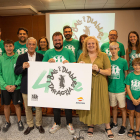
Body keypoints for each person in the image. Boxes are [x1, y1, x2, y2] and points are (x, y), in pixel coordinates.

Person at [76, 36, 114, 139]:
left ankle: (107, 127)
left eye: (93, 43)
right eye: (89, 44)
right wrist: (79, 66)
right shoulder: (82, 56)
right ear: (86, 45)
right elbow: (76, 71)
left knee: (103, 104)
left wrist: (98, 70)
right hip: (86, 83)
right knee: (90, 103)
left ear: (97, 45)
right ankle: (91, 125)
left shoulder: (103, 55)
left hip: (100, 82)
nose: (91, 45)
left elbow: (109, 72)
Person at [43, 32, 76, 135]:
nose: (57, 42)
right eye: (55, 40)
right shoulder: (48, 52)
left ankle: (69, 123)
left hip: (67, 82)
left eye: (59, 40)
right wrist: (48, 63)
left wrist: (69, 64)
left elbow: (75, 65)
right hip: (54, 82)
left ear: (62, 40)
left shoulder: (69, 52)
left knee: (67, 103)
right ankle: (57, 123)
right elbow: (42, 67)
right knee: (55, 102)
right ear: (53, 41)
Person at [14, 37, 44, 135]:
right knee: (27, 107)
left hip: (38, 86)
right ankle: (30, 125)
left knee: (39, 107)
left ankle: (39, 124)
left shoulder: (41, 56)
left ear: (36, 46)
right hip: (26, 86)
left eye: (33, 44)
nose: (31, 46)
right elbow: (16, 71)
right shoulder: (21, 57)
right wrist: (22, 67)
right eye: (29, 44)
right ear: (27, 45)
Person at [0, 39, 24, 132]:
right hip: (4, 87)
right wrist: (5, 85)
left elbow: (21, 73)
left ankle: (19, 121)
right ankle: (7, 122)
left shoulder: (18, 58)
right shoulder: (1, 58)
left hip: (16, 87)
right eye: (7, 46)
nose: (9, 48)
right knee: (6, 105)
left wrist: (15, 85)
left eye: (10, 46)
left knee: (17, 105)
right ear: (4, 47)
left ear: (13, 47)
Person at [108, 42, 128, 135]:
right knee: (113, 107)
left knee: (123, 108)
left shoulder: (123, 61)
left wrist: (126, 87)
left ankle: (123, 125)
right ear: (110, 50)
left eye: (115, 48)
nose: (113, 50)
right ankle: (115, 122)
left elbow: (126, 74)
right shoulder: (108, 60)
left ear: (118, 49)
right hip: (111, 88)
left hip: (120, 88)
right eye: (111, 49)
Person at [125, 58, 140, 139]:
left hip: (139, 99)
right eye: (135, 65)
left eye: (139, 65)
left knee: (138, 115)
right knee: (131, 114)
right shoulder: (130, 75)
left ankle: (137, 130)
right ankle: (132, 128)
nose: (137, 67)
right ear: (133, 66)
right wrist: (133, 99)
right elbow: (128, 88)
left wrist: (138, 100)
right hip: (130, 99)